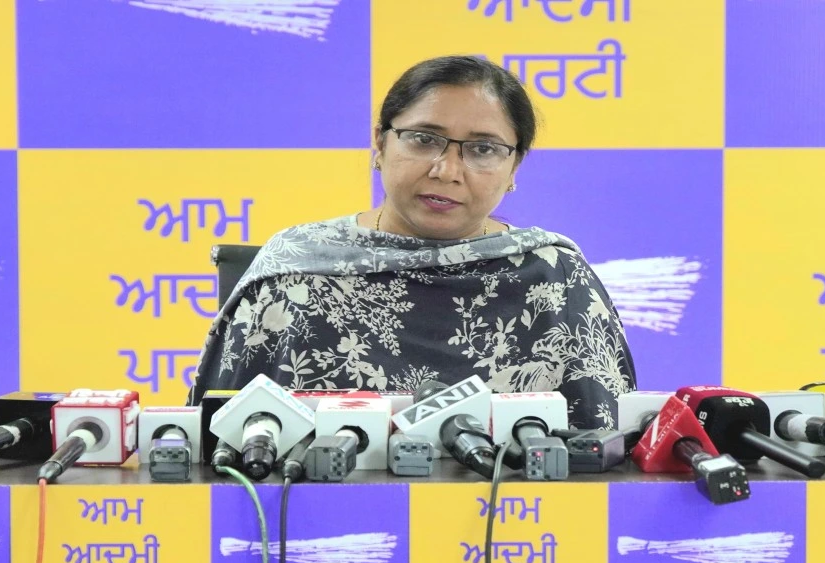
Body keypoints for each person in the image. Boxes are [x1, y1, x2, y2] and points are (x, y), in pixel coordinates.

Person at [187, 55, 636, 429]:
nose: (447, 170)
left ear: (514, 167)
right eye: (424, 140)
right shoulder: (295, 273)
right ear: (380, 144)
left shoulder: (554, 279)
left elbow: (609, 444)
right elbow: (216, 448)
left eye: (483, 149)